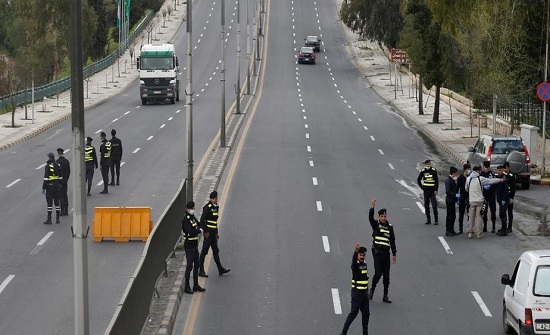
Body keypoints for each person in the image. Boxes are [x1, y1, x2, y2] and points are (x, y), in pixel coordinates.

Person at [368, 198, 396, 303]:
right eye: (382, 216)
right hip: (377, 253)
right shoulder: (376, 224)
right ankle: (372, 291)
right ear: (379, 217)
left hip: (386, 255)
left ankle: (385, 295)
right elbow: (370, 218)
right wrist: (372, 207)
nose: (384, 218)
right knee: (378, 273)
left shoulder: (390, 227)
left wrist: (394, 253)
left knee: (386, 277)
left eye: (385, 216)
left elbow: (392, 240)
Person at [465, 166, 504, 239]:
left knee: (471, 217)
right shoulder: (480, 178)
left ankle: (470, 232)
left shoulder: (468, 179)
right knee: (479, 217)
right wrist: (500, 180)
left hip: (471, 200)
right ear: (477, 171)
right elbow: (491, 181)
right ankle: (479, 233)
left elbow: (466, 189)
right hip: (479, 200)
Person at [198, 191, 230, 278]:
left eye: (216, 198)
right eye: (215, 198)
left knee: (216, 251)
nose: (216, 200)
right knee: (204, 252)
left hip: (213, 234)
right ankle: (201, 270)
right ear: (211, 199)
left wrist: (216, 232)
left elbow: (214, 222)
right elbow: (202, 221)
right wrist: (206, 232)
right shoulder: (207, 208)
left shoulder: (216, 208)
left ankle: (220, 269)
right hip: (208, 234)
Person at [340, 244, 370, 335]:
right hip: (357, 294)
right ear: (357, 255)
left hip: (364, 294)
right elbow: (353, 262)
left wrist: (367, 291)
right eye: (360, 255)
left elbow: (365, 278)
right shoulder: (355, 265)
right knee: (353, 314)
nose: (362, 256)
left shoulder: (364, 264)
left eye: (363, 255)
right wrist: (355, 252)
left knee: (366, 314)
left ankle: (365, 333)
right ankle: (343, 333)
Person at [181, 201, 206, 294]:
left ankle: (195, 285)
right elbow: (190, 231)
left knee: (197, 264)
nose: (193, 210)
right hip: (189, 246)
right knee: (189, 266)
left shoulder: (192, 218)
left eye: (193, 208)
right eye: (192, 208)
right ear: (187, 209)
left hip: (194, 245)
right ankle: (187, 286)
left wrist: (201, 227)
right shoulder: (185, 220)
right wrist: (199, 230)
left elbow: (199, 224)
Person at [42, 152, 62, 224]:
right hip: (57, 186)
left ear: (50, 158)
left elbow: (46, 178)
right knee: (57, 202)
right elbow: (60, 177)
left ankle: (49, 219)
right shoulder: (58, 165)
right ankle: (57, 219)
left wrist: (43, 187)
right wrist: (59, 184)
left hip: (49, 186)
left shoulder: (48, 166)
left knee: (49, 203)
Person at [417, 159, 439, 225]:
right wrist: (422, 187)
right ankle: (428, 219)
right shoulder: (423, 171)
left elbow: (436, 181)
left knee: (434, 205)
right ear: (425, 164)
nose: (428, 165)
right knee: (426, 206)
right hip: (426, 191)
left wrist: (436, 190)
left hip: (432, 191)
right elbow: (418, 180)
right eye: (427, 164)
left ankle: (436, 220)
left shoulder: (433, 170)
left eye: (429, 164)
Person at [480, 161, 497, 233]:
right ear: (483, 167)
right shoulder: (481, 174)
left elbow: (495, 183)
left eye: (487, 167)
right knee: (484, 211)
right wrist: (484, 187)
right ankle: (485, 227)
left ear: (489, 167)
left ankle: (493, 227)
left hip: (491, 196)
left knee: (493, 211)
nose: (486, 169)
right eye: (485, 167)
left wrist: (490, 186)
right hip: (484, 196)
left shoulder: (492, 174)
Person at [456, 163, 471, 234]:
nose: (469, 171)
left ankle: (469, 228)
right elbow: (457, 188)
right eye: (468, 169)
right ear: (465, 170)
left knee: (470, 214)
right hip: (462, 197)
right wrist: (456, 197)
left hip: (469, 197)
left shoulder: (470, 177)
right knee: (461, 214)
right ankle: (460, 228)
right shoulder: (460, 178)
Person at [495, 165, 510, 236]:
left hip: (504, 200)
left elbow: (506, 191)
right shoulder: (498, 178)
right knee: (501, 215)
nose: (498, 172)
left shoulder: (504, 178)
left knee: (503, 215)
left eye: (500, 170)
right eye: (497, 170)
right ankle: (503, 228)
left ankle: (504, 231)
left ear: (502, 170)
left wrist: (504, 199)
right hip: (500, 199)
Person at [444, 166, 459, 236]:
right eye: (456, 173)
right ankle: (448, 230)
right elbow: (448, 191)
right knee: (449, 216)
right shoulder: (448, 180)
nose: (456, 174)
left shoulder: (452, 180)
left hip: (452, 200)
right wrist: (455, 195)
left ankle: (452, 229)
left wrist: (456, 199)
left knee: (453, 216)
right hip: (449, 200)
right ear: (453, 173)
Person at [56, 148, 71, 216]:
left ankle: (62, 211)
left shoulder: (57, 162)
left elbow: (56, 173)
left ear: (58, 153)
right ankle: (66, 210)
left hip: (59, 182)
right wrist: (66, 179)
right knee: (65, 195)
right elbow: (68, 172)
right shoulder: (66, 161)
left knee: (61, 196)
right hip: (65, 181)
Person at [503, 162, 516, 233]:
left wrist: (511, 197)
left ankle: (510, 226)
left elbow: (513, 188)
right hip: (504, 197)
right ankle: (504, 226)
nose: (505, 169)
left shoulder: (511, 176)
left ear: (509, 168)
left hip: (509, 196)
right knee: (503, 212)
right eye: (504, 168)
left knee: (510, 212)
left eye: (506, 168)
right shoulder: (503, 175)